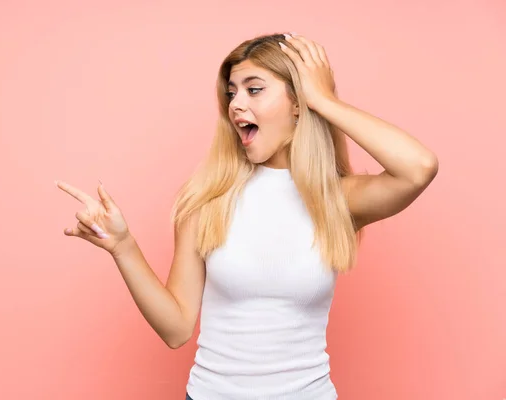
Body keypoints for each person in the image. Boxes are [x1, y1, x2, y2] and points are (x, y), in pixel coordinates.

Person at [55, 32, 438, 400]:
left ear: (298, 103)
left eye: (254, 89)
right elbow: (176, 329)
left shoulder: (337, 198)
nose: (236, 104)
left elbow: (418, 167)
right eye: (232, 93)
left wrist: (324, 100)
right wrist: (123, 246)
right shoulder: (207, 199)